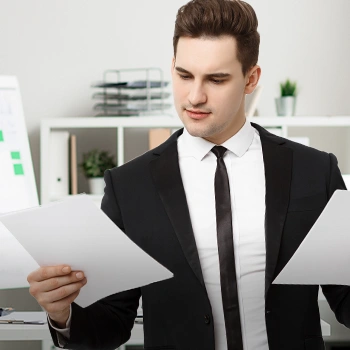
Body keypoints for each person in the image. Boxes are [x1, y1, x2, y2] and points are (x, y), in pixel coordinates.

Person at [27, 0, 350, 349]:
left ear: (250, 79)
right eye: (184, 75)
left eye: (217, 78)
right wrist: (63, 314)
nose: (194, 96)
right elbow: (110, 323)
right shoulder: (129, 187)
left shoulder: (314, 171)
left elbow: (345, 297)